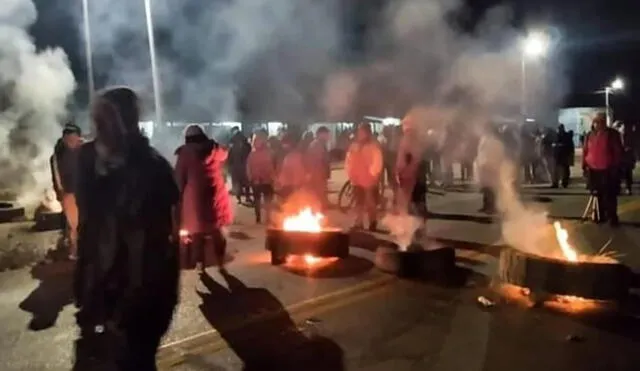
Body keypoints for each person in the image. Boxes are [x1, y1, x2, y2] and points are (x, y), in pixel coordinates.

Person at [73, 87, 180, 370]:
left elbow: (160, 244)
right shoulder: (87, 161)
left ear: (126, 121)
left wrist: (139, 302)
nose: (98, 126)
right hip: (100, 290)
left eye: (106, 118)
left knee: (134, 361)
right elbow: (89, 228)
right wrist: (84, 282)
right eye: (96, 119)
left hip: (142, 295)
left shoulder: (153, 170)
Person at [175, 125, 232, 273]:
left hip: (195, 200)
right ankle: (220, 262)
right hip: (215, 195)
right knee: (216, 230)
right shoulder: (213, 148)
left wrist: (177, 196)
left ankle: (201, 265)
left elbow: (179, 178)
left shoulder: (185, 153)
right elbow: (225, 153)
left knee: (197, 233)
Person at [50, 122, 83, 260]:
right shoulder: (57, 156)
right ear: (64, 139)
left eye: (74, 138)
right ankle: (74, 251)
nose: (72, 141)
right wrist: (60, 193)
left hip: (84, 192)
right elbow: (56, 176)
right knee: (74, 225)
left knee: (83, 223)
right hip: (69, 193)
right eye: (69, 139)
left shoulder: (85, 151)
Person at [583, 113, 623, 226]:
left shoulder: (612, 134)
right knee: (597, 194)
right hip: (593, 169)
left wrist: (615, 166)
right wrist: (584, 165)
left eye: (601, 121)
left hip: (608, 169)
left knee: (610, 195)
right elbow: (586, 150)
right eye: (597, 121)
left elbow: (618, 151)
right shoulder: (589, 135)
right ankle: (599, 215)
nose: (599, 124)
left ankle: (612, 217)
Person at [345, 123, 383, 231]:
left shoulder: (373, 145)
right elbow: (349, 160)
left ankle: (372, 223)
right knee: (358, 203)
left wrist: (373, 174)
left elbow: (377, 161)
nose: (360, 134)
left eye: (362, 132)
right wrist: (350, 174)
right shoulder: (354, 146)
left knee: (371, 203)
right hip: (356, 180)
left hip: (369, 180)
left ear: (367, 133)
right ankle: (358, 223)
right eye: (359, 132)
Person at [396, 114, 428, 219]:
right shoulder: (411, 138)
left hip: (413, 178)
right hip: (414, 177)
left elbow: (414, 159)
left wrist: (405, 173)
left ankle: (417, 228)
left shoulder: (411, 139)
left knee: (415, 203)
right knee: (416, 203)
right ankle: (418, 227)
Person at [247, 130, 275, 224]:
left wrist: (251, 177)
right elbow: (271, 166)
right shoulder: (269, 152)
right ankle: (266, 217)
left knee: (258, 199)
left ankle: (260, 217)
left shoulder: (252, 154)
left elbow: (249, 167)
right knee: (266, 199)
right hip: (264, 180)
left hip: (258, 180)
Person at [275, 133, 308, 202]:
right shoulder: (287, 155)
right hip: (288, 185)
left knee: (293, 203)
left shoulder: (294, 156)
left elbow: (297, 171)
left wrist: (297, 185)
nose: (283, 146)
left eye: (285, 143)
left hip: (293, 185)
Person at [305, 126, 331, 209]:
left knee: (321, 196)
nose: (328, 137)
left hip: (321, 175)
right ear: (320, 134)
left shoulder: (321, 144)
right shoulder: (316, 145)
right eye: (326, 134)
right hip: (317, 176)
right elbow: (316, 161)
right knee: (318, 197)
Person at [228, 128, 252, 204]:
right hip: (244, 164)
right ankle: (247, 197)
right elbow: (249, 151)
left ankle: (239, 199)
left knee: (237, 182)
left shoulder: (232, 141)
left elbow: (230, 154)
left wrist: (229, 164)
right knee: (246, 181)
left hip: (236, 165)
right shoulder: (244, 139)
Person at [552, 124, 573, 188]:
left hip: (562, 154)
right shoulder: (564, 136)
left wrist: (558, 145)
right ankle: (561, 183)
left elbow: (568, 146)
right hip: (561, 155)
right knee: (563, 170)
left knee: (562, 170)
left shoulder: (562, 136)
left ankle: (560, 183)